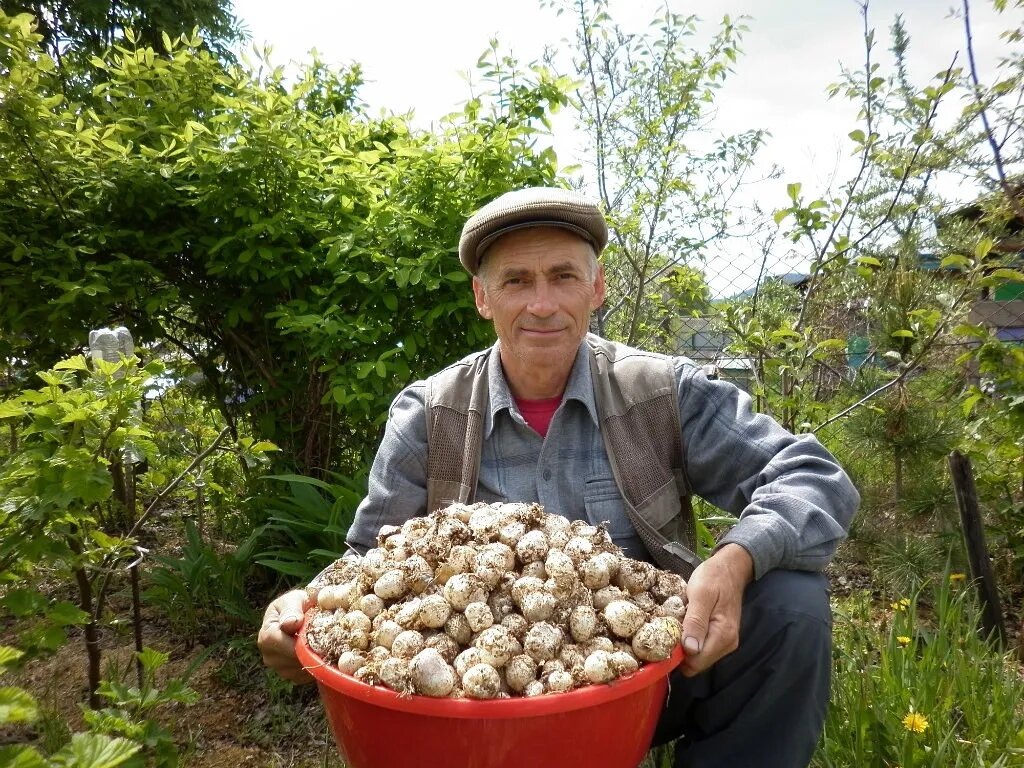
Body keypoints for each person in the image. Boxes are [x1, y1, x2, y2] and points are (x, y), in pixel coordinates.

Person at [258, 187, 860, 768]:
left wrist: (734, 562)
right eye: (516, 281)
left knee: (790, 604)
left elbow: (814, 475)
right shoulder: (431, 414)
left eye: (563, 276)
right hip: (473, 707)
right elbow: (368, 560)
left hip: (652, 676)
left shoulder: (662, 391)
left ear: (596, 288)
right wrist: (300, 608)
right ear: (482, 297)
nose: (541, 303)